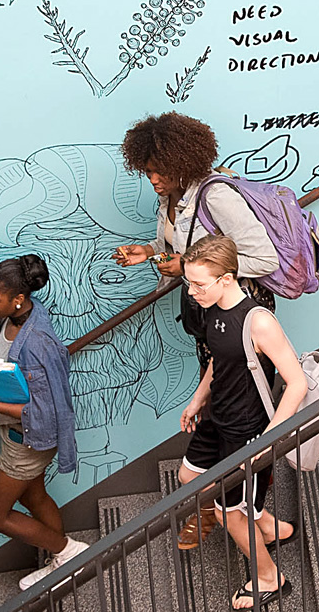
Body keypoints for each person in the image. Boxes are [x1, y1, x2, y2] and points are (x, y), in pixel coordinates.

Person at [114, 112, 280, 548]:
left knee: (241, 413)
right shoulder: (169, 199)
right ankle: (252, 516)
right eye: (147, 169)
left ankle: (223, 506)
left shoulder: (217, 195)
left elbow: (265, 259)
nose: (152, 178)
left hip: (241, 320)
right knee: (218, 402)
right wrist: (149, 253)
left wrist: (196, 268)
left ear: (182, 161)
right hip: (206, 322)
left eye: (159, 170)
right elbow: (177, 249)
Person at [178, 235, 307, 611]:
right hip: (218, 417)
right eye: (189, 282)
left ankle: (269, 578)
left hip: (249, 431)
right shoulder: (213, 309)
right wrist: (199, 398)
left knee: (228, 515)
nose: (191, 291)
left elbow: (296, 381)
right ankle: (266, 526)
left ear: (227, 277)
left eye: (199, 284)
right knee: (189, 478)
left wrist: (269, 439)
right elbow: (220, 359)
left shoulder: (258, 322)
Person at [0, 255, 87, 591]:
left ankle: (68, 551)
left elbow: (47, 410)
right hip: (15, 435)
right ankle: (62, 562)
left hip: (26, 442)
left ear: (18, 299)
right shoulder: (13, 319)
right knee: (34, 499)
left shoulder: (38, 343)